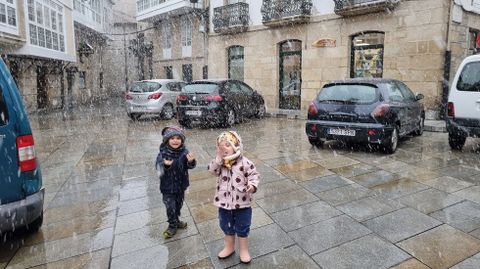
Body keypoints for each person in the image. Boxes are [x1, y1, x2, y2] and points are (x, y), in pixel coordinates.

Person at [208, 131, 260, 264]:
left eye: (227, 145)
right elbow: (212, 171)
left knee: (243, 227)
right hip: (224, 204)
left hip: (242, 203)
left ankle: (243, 249)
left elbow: (254, 175)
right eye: (220, 146)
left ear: (236, 146)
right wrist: (218, 160)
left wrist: (252, 185)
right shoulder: (220, 163)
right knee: (226, 226)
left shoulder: (245, 162)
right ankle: (229, 247)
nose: (223, 148)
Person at [155, 126, 196, 239]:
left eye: (178, 138)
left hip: (180, 186)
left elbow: (189, 166)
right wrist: (165, 165)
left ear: (182, 140)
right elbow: (158, 167)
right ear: (167, 140)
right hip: (167, 187)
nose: (175, 140)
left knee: (178, 205)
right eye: (172, 138)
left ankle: (176, 220)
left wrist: (191, 161)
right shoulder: (162, 154)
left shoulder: (184, 152)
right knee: (170, 207)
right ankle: (172, 225)